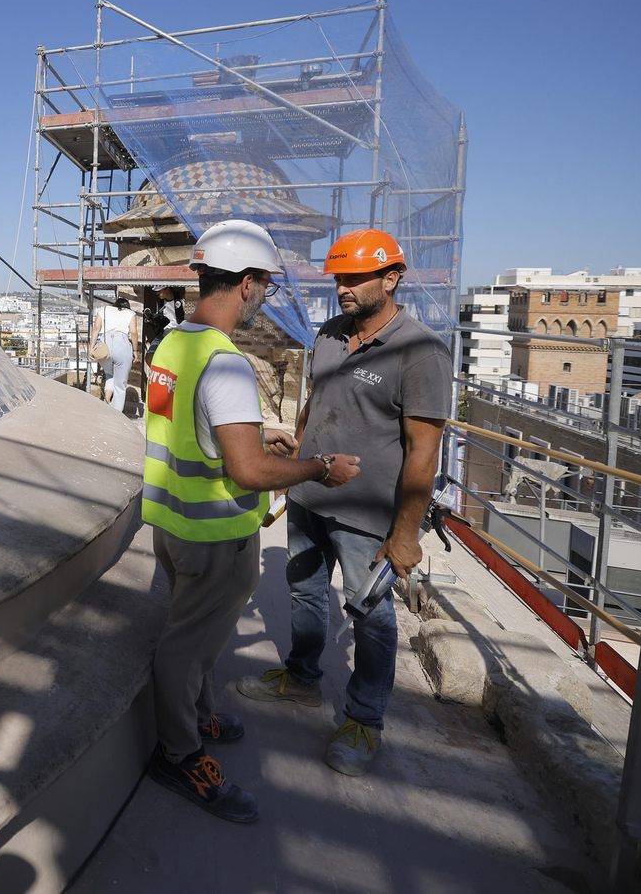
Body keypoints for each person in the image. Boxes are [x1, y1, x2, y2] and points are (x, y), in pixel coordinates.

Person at [144, 219, 360, 823]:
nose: (266, 295)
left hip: (173, 522)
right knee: (186, 647)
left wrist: (257, 434)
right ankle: (178, 754)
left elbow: (187, 428)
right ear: (245, 283)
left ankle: (198, 717)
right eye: (265, 283)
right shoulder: (228, 363)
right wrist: (319, 468)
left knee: (200, 641)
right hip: (214, 534)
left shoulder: (172, 346)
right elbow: (247, 471)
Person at [235, 228, 451, 776]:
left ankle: (364, 720)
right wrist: (292, 467)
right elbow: (315, 403)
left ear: (391, 278)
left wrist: (406, 534)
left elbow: (423, 451)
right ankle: (302, 679)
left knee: (370, 616)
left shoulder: (420, 351)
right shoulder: (330, 334)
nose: (343, 288)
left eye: (355, 278)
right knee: (305, 593)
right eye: (338, 278)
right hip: (311, 494)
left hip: (366, 514)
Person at [88, 295, 139, 413]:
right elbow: (133, 332)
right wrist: (135, 351)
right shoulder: (130, 313)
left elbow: (96, 328)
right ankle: (116, 415)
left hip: (105, 347)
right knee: (120, 385)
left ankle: (106, 403)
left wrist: (92, 348)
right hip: (122, 346)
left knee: (110, 375)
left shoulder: (104, 310)